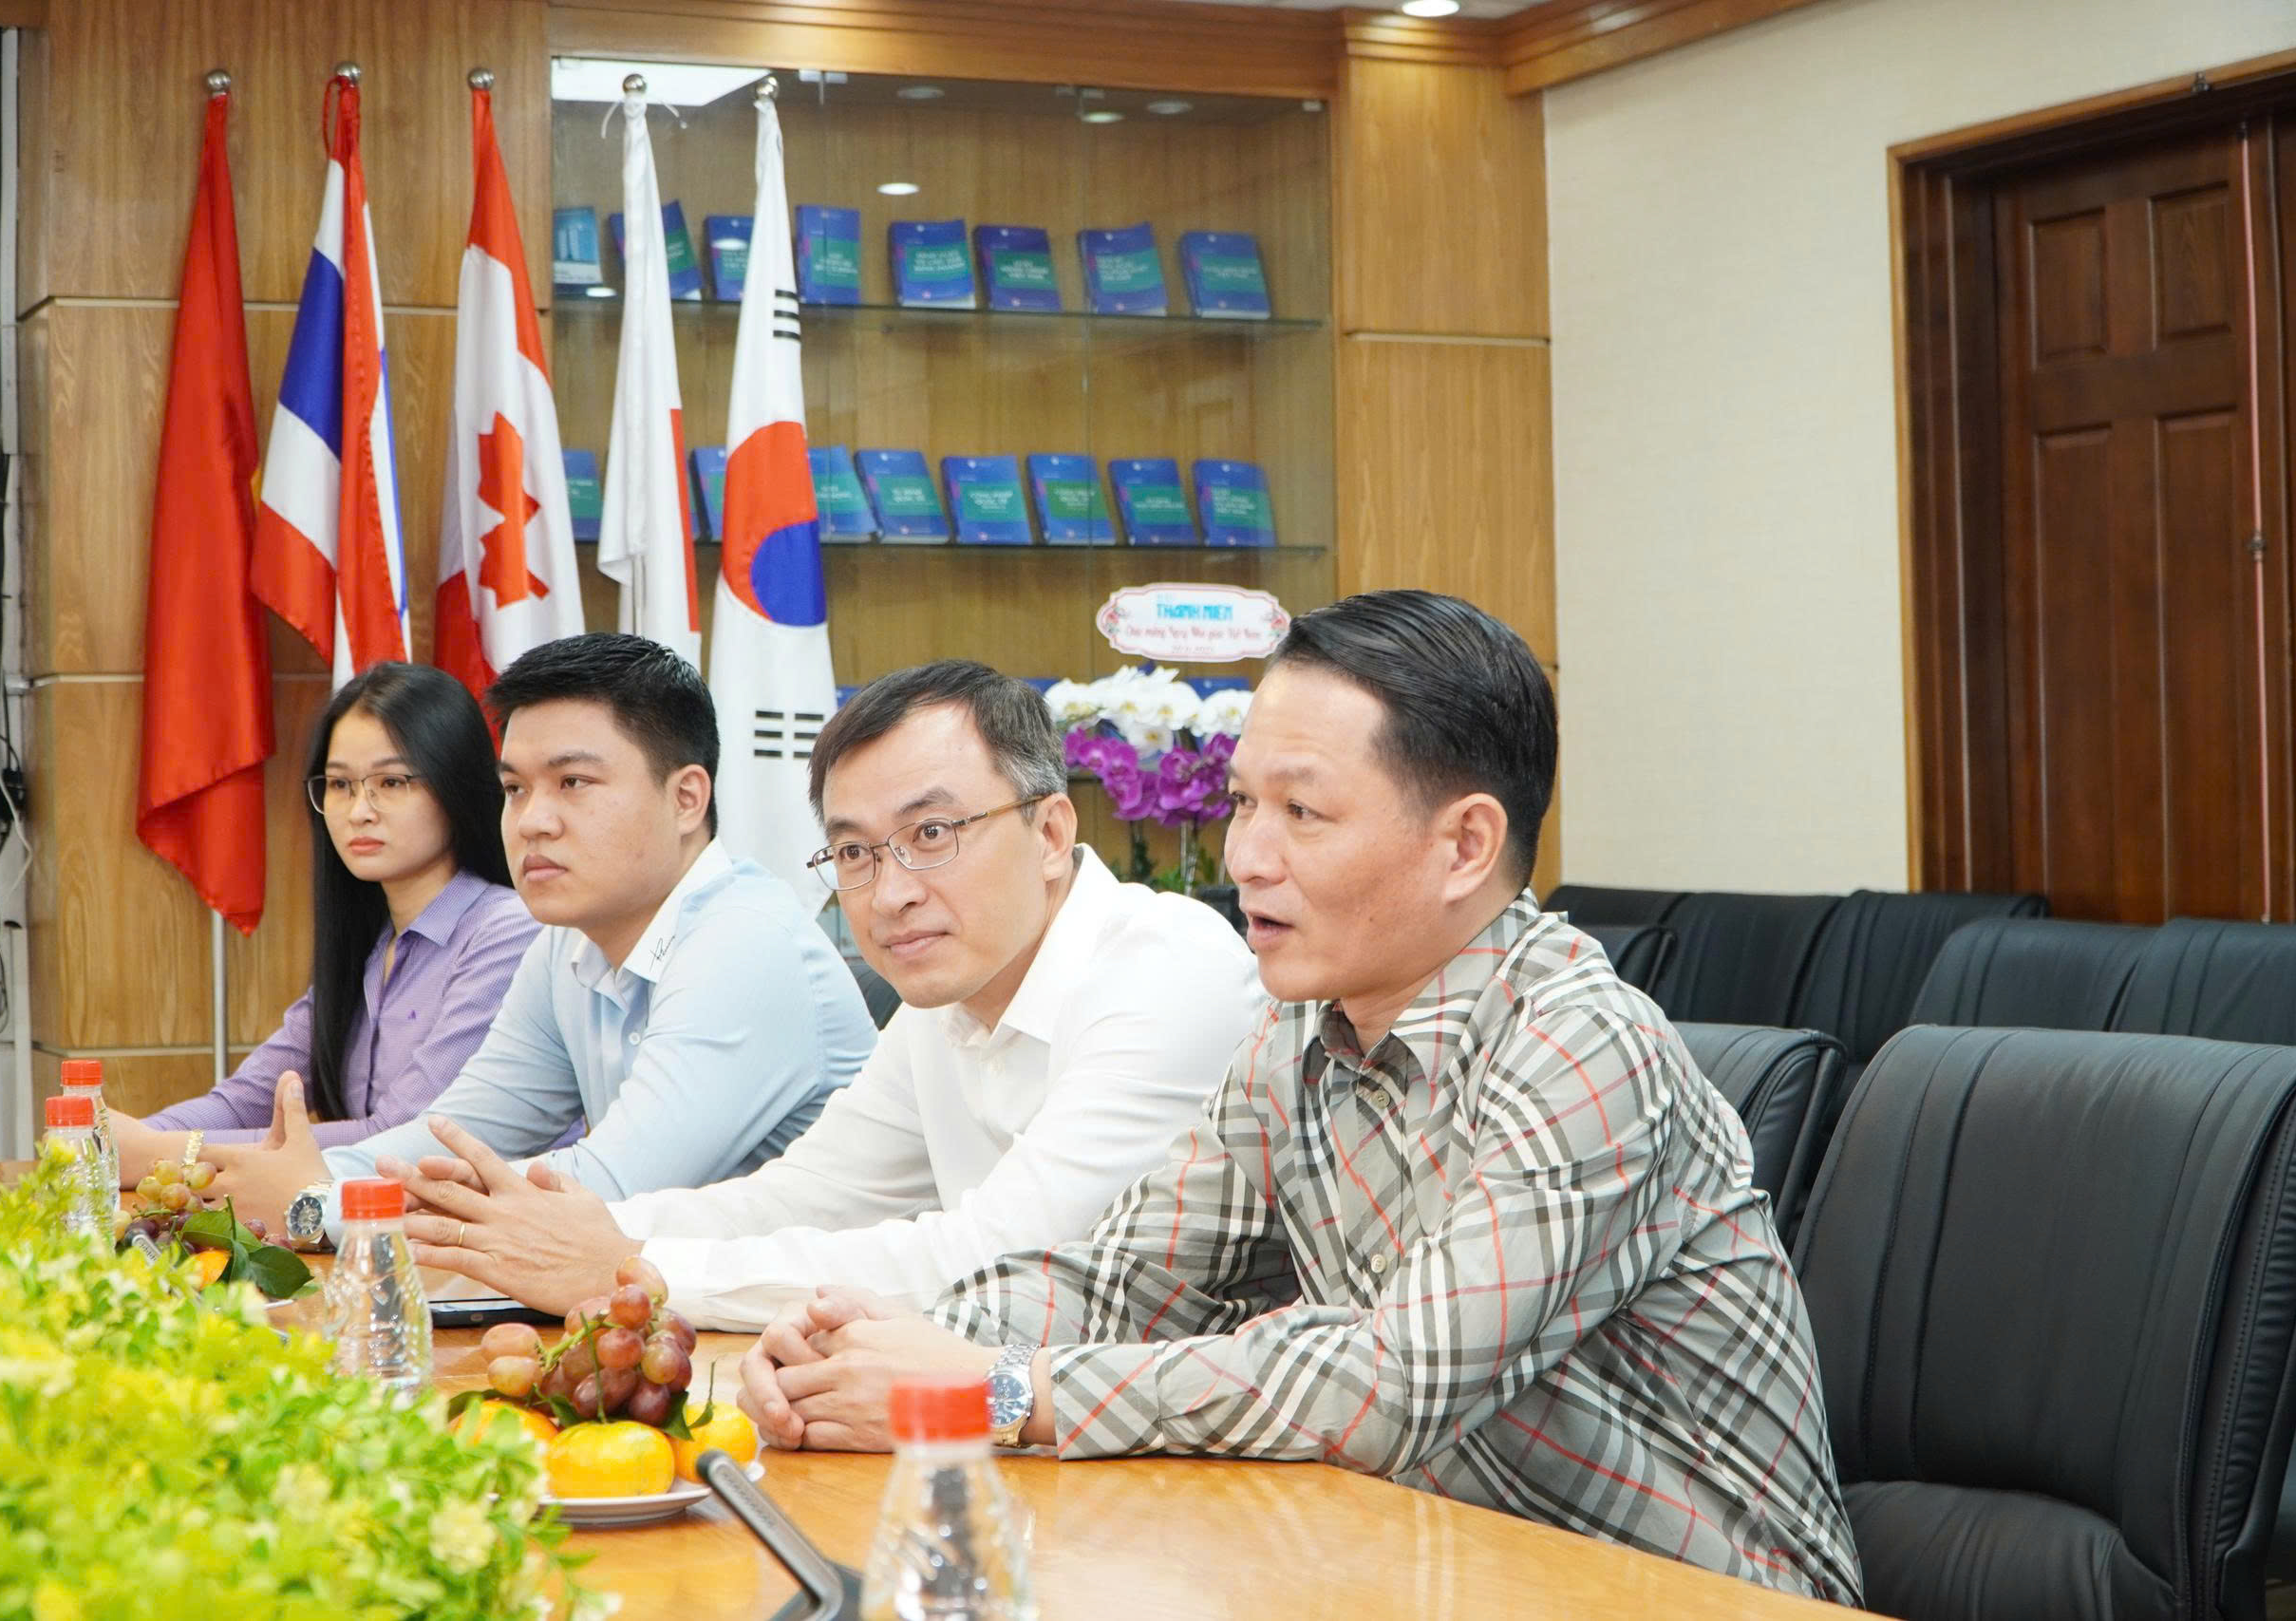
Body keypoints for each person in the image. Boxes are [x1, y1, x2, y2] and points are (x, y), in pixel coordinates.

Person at [732, 591, 1865, 1607]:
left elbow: (1389, 1384)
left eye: (1302, 814)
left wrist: (991, 1390)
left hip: (1699, 1593)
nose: (1247, 858)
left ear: (1464, 844)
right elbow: (1127, 1279)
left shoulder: (1584, 1046)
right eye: (1241, 803)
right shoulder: (1294, 1033)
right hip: (1428, 1561)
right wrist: (873, 1352)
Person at [386, 659, 1265, 1329]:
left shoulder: (1164, 969)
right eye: (854, 852)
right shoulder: (942, 999)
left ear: (1050, 831)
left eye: (932, 832)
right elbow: (803, 1195)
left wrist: (633, 1267)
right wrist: (585, 1233)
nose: (891, 892)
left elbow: (1005, 1257)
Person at [202, 633, 876, 1236]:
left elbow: (603, 1189)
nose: (531, 822)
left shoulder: (745, 945)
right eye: (516, 789)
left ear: (686, 798)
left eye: (573, 782)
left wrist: (320, 1201)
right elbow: (459, 1134)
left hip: (820, 1318)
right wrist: (293, 1180)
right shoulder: (565, 943)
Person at [110, 662, 537, 1180]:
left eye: (392, 781)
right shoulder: (371, 945)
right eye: (339, 785)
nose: (359, 811)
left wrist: (169, 1151)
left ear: (456, 786)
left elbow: (401, 1134)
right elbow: (248, 1100)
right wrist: (123, 1143)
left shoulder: (508, 932)